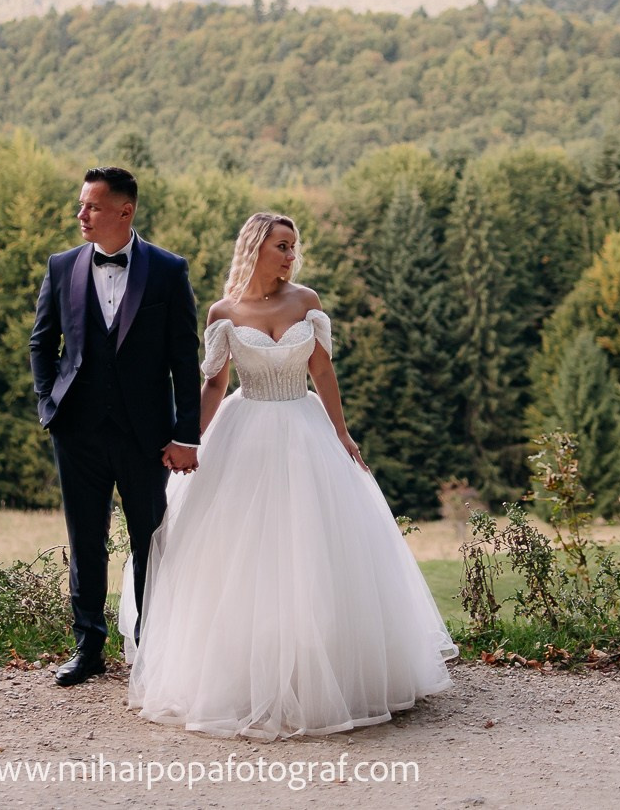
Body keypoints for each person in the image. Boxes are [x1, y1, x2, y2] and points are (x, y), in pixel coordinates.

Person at [120, 211, 455, 739]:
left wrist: (342, 434)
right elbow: (213, 384)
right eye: (282, 245)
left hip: (305, 431)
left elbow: (322, 371)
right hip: (244, 431)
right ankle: (241, 682)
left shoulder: (307, 302)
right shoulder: (223, 312)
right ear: (256, 246)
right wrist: (191, 439)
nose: (290, 255)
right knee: (241, 557)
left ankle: (325, 678)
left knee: (314, 552)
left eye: (293, 247)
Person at [28, 166, 202, 687]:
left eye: (93, 207)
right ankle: (88, 648)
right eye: (82, 205)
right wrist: (48, 405)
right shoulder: (62, 267)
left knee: (151, 538)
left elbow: (183, 357)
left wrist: (185, 434)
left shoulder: (168, 271)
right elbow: (42, 342)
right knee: (85, 540)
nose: (81, 215)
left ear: (125, 212)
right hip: (76, 431)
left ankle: (154, 649)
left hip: (146, 435)